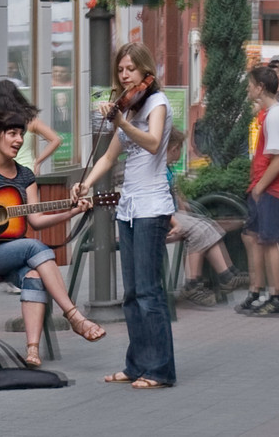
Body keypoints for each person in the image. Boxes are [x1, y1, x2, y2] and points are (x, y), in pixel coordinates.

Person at [0, 110, 105, 370]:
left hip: (13, 253)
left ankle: (32, 350)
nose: (19, 139)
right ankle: (74, 315)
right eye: (12, 133)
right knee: (35, 246)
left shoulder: (25, 176)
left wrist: (72, 211)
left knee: (34, 275)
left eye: (21, 134)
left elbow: (35, 220)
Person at [71, 42, 175, 389]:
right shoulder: (128, 110)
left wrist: (121, 123)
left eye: (130, 69)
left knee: (149, 292)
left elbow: (153, 141)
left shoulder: (157, 103)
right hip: (129, 206)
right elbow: (109, 157)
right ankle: (136, 365)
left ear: (146, 71)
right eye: (120, 70)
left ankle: (159, 369)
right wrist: (84, 183)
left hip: (152, 205)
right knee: (131, 293)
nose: (125, 75)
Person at [165, 127, 249, 308]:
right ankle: (192, 284)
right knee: (198, 231)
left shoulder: (167, 169)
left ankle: (228, 274)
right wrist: (179, 217)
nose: (181, 153)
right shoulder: (159, 170)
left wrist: (185, 207)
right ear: (173, 149)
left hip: (174, 214)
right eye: (180, 149)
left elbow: (175, 194)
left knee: (209, 225)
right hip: (165, 218)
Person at [237, 65, 279, 318]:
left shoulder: (274, 115)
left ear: (260, 87)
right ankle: (258, 291)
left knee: (269, 240)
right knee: (252, 237)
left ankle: (276, 297)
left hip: (268, 187)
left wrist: (260, 187)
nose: (248, 88)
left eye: (251, 84)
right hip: (263, 185)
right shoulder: (270, 112)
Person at [0, 79, 61, 176]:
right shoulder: (30, 120)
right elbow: (56, 139)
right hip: (26, 168)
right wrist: (37, 162)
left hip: (2, 169)